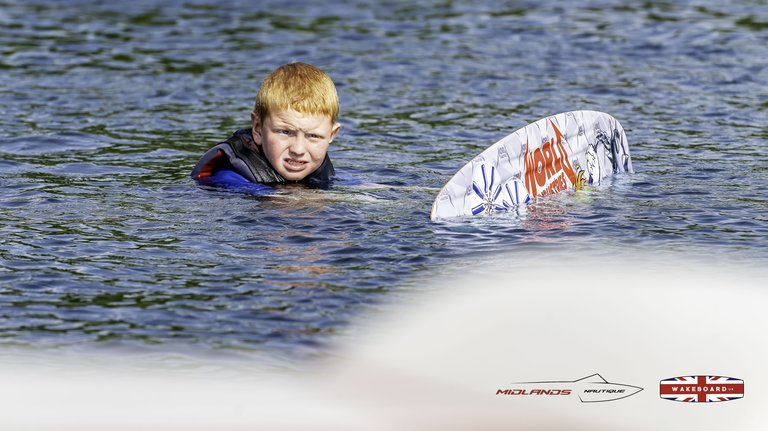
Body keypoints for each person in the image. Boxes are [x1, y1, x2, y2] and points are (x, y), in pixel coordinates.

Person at [191, 62, 341, 192]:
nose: (298, 149)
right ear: (257, 128)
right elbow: (269, 197)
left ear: (331, 135)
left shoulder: (319, 170)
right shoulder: (228, 176)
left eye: (313, 136)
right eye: (285, 132)